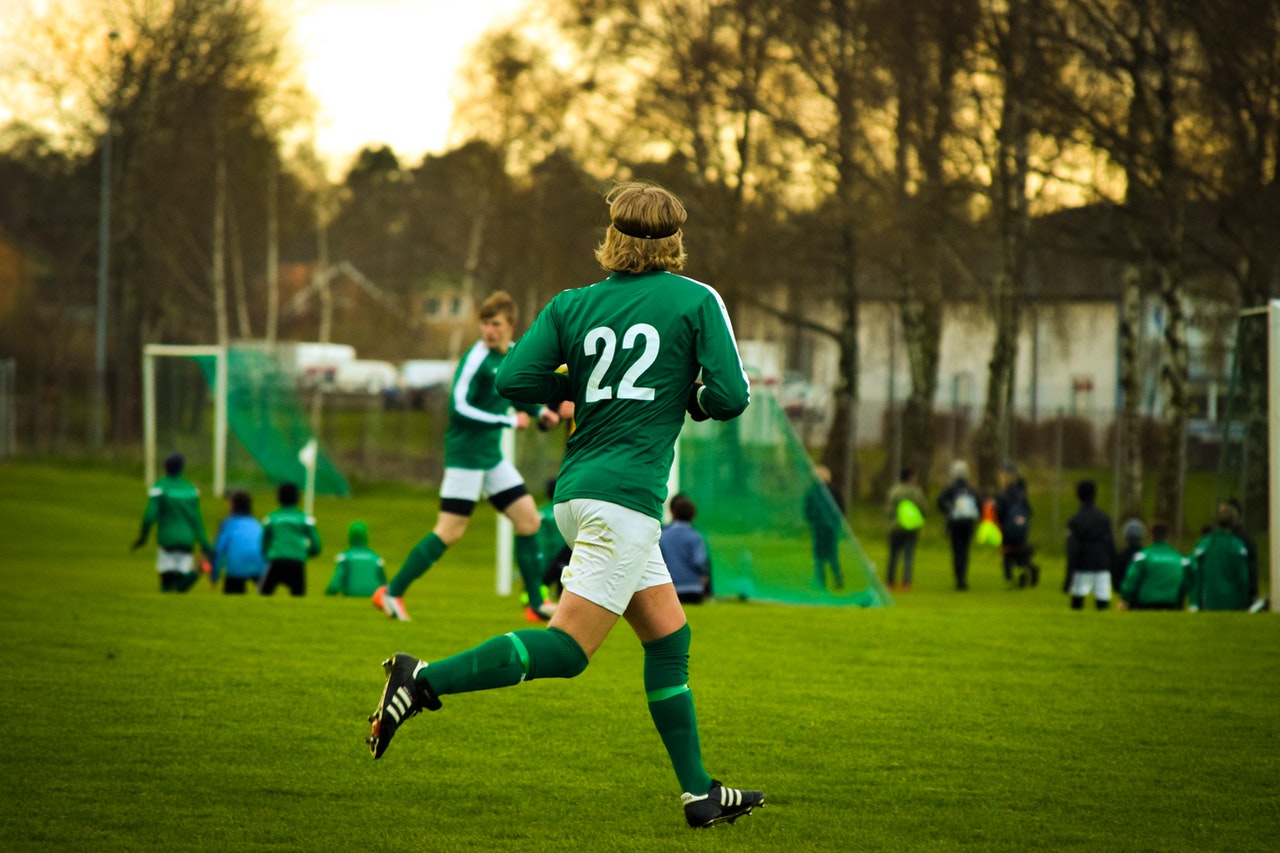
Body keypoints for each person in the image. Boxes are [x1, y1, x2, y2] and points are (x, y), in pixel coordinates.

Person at [364, 181, 764, 829]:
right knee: (569, 651)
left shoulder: (571, 304)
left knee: (668, 635)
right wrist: (684, 396)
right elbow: (731, 395)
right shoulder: (696, 300)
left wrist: (579, 380)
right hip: (625, 503)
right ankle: (422, 678)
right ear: (674, 241)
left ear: (612, 237)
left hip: (577, 495)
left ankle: (699, 793)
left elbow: (512, 380)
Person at [372, 291, 561, 622]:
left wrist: (541, 412)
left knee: (529, 520)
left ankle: (534, 602)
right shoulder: (475, 359)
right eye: (485, 325)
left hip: (490, 458)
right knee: (450, 531)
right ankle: (392, 592)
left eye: (496, 325)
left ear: (511, 326)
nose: (489, 331)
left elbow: (517, 391)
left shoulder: (514, 355)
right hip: (465, 457)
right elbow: (458, 409)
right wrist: (507, 421)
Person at [131, 452, 214, 593]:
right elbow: (196, 520)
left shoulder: (160, 487)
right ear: (182, 468)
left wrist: (142, 538)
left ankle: (197, 572)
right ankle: (197, 571)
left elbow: (149, 517)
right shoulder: (190, 490)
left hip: (167, 540)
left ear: (165, 467)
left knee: (167, 583)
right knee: (179, 585)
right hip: (186, 541)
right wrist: (205, 544)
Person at [260, 481, 321, 596]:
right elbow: (316, 545)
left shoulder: (271, 518)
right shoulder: (304, 519)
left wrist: (267, 554)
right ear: (298, 498)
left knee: (264, 594)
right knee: (298, 597)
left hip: (277, 561)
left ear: (278, 497)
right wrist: (306, 552)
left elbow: (264, 542)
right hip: (297, 563)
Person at [1188, 503, 1251, 611]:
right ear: (1234, 521)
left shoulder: (1205, 543)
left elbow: (1194, 570)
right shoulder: (1237, 546)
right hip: (1231, 600)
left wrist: (1194, 600)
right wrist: (1244, 601)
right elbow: (1243, 578)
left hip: (1207, 599)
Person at [1065, 479, 1115, 610]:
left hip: (1083, 566)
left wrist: (1069, 577)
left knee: (1077, 602)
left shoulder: (1075, 520)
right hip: (1102, 565)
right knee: (1103, 602)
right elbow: (1111, 545)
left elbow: (1072, 549)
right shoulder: (1104, 518)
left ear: (1078, 496)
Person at [1119, 521, 1190, 610]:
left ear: (1150, 537)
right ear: (1168, 537)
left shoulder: (1143, 556)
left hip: (1146, 604)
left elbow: (1131, 579)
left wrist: (1125, 598)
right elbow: (1187, 582)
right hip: (1171, 603)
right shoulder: (1179, 558)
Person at [935, 460, 981, 591]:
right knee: (965, 551)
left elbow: (939, 501)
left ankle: (958, 578)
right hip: (968, 523)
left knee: (956, 550)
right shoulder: (970, 489)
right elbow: (979, 503)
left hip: (955, 523)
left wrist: (948, 512)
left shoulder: (952, 489)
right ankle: (963, 578)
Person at [659, 493, 712, 604]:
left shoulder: (663, 535)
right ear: (693, 515)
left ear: (673, 513)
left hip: (670, 589)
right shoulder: (695, 536)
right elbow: (699, 561)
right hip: (694, 589)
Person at [211, 490, 266, 594]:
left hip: (237, 566)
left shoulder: (228, 523)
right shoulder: (256, 523)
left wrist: (214, 576)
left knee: (232, 596)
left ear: (233, 505)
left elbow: (218, 551)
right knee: (264, 596)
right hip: (260, 565)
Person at [994, 464, 1038, 588]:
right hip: (1021, 529)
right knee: (1019, 552)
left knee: (1007, 554)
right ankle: (1028, 569)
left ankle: (1011, 579)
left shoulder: (1002, 496)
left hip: (1008, 529)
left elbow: (1000, 513)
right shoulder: (1021, 495)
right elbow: (1029, 511)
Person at [804, 464, 845, 590]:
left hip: (819, 528)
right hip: (832, 527)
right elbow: (842, 509)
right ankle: (837, 578)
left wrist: (814, 520)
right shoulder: (835, 490)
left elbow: (807, 510)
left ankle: (821, 582)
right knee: (832, 553)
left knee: (819, 555)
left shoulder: (813, 491)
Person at [884, 467, 926, 591]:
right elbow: (923, 507)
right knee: (908, 555)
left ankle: (890, 582)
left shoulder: (894, 491)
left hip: (895, 527)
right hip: (911, 527)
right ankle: (906, 583)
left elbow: (889, 509)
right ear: (911, 477)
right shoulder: (916, 492)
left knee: (893, 555)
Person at [326, 520, 387, 597]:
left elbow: (336, 582)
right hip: (373, 595)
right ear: (365, 536)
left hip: (352, 593)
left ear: (350, 536)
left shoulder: (345, 557)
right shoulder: (376, 558)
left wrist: (330, 592)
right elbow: (383, 582)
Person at [1113, 518, 1146, 593]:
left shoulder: (1120, 557)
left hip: (1126, 594)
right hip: (1144, 596)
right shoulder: (1148, 556)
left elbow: (1116, 583)